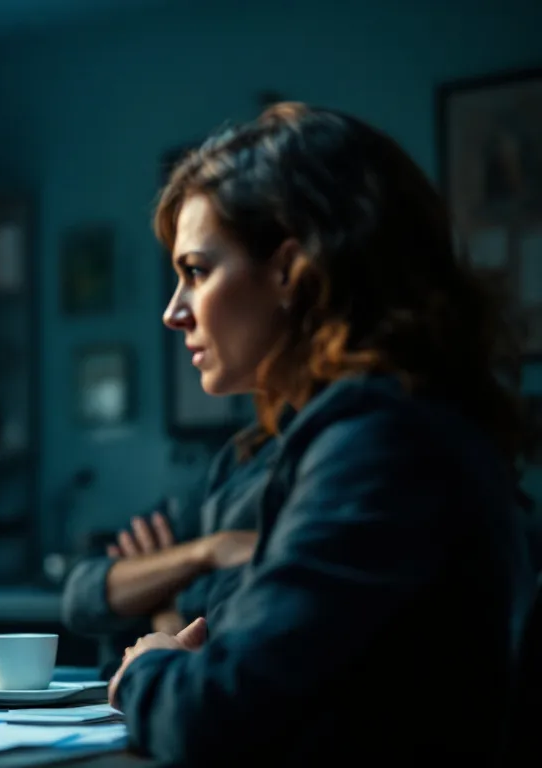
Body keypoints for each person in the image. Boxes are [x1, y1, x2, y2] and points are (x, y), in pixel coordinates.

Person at [106, 103, 535, 765]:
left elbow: (215, 715)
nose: (173, 312)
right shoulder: (393, 426)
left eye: (196, 271)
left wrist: (146, 670)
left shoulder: (380, 444)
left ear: (291, 269)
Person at [60, 428, 274, 677]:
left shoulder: (310, 473)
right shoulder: (240, 458)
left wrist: (161, 593)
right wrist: (209, 550)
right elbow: (82, 595)